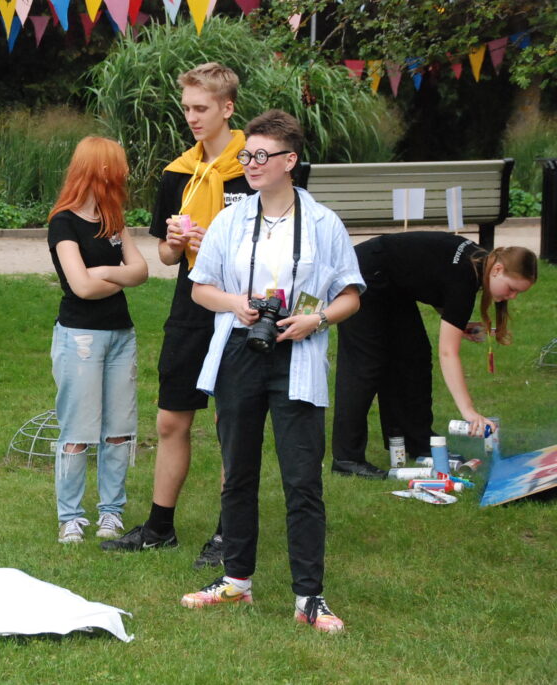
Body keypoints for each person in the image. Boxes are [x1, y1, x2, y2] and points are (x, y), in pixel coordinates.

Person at [181, 110, 364, 633]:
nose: (251, 163)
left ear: (290, 160)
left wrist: (316, 319)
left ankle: (309, 597)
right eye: (247, 154)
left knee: (302, 479)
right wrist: (235, 304)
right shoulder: (231, 219)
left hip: (297, 351)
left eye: (262, 155)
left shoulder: (323, 222)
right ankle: (236, 580)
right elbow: (201, 289)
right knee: (237, 471)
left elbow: (351, 294)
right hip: (240, 348)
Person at [102, 62, 253, 567]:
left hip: (238, 306)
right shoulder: (178, 172)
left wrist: (218, 247)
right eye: (186, 107)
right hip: (190, 306)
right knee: (171, 419)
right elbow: (168, 258)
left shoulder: (253, 168)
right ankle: (159, 527)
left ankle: (229, 534)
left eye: (201, 108)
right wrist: (173, 243)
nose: (192, 117)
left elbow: (272, 248)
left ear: (227, 108)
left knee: (232, 422)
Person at [332, 233, 537, 478]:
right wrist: (469, 411)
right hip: (366, 273)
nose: (512, 297)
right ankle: (347, 459)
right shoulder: (466, 277)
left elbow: (435, 279)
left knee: (414, 356)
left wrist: (460, 326)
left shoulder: (478, 264)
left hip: (394, 283)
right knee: (365, 365)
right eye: (512, 289)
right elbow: (448, 353)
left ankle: (416, 441)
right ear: (498, 269)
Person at [48, 136, 149, 543]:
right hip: (81, 339)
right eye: (119, 165)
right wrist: (119, 276)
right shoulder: (63, 222)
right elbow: (81, 288)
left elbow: (141, 271)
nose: (125, 172)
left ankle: (111, 513)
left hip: (121, 335)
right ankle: (70, 517)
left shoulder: (113, 218)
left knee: (119, 429)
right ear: (101, 169)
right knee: (78, 429)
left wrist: (105, 273)